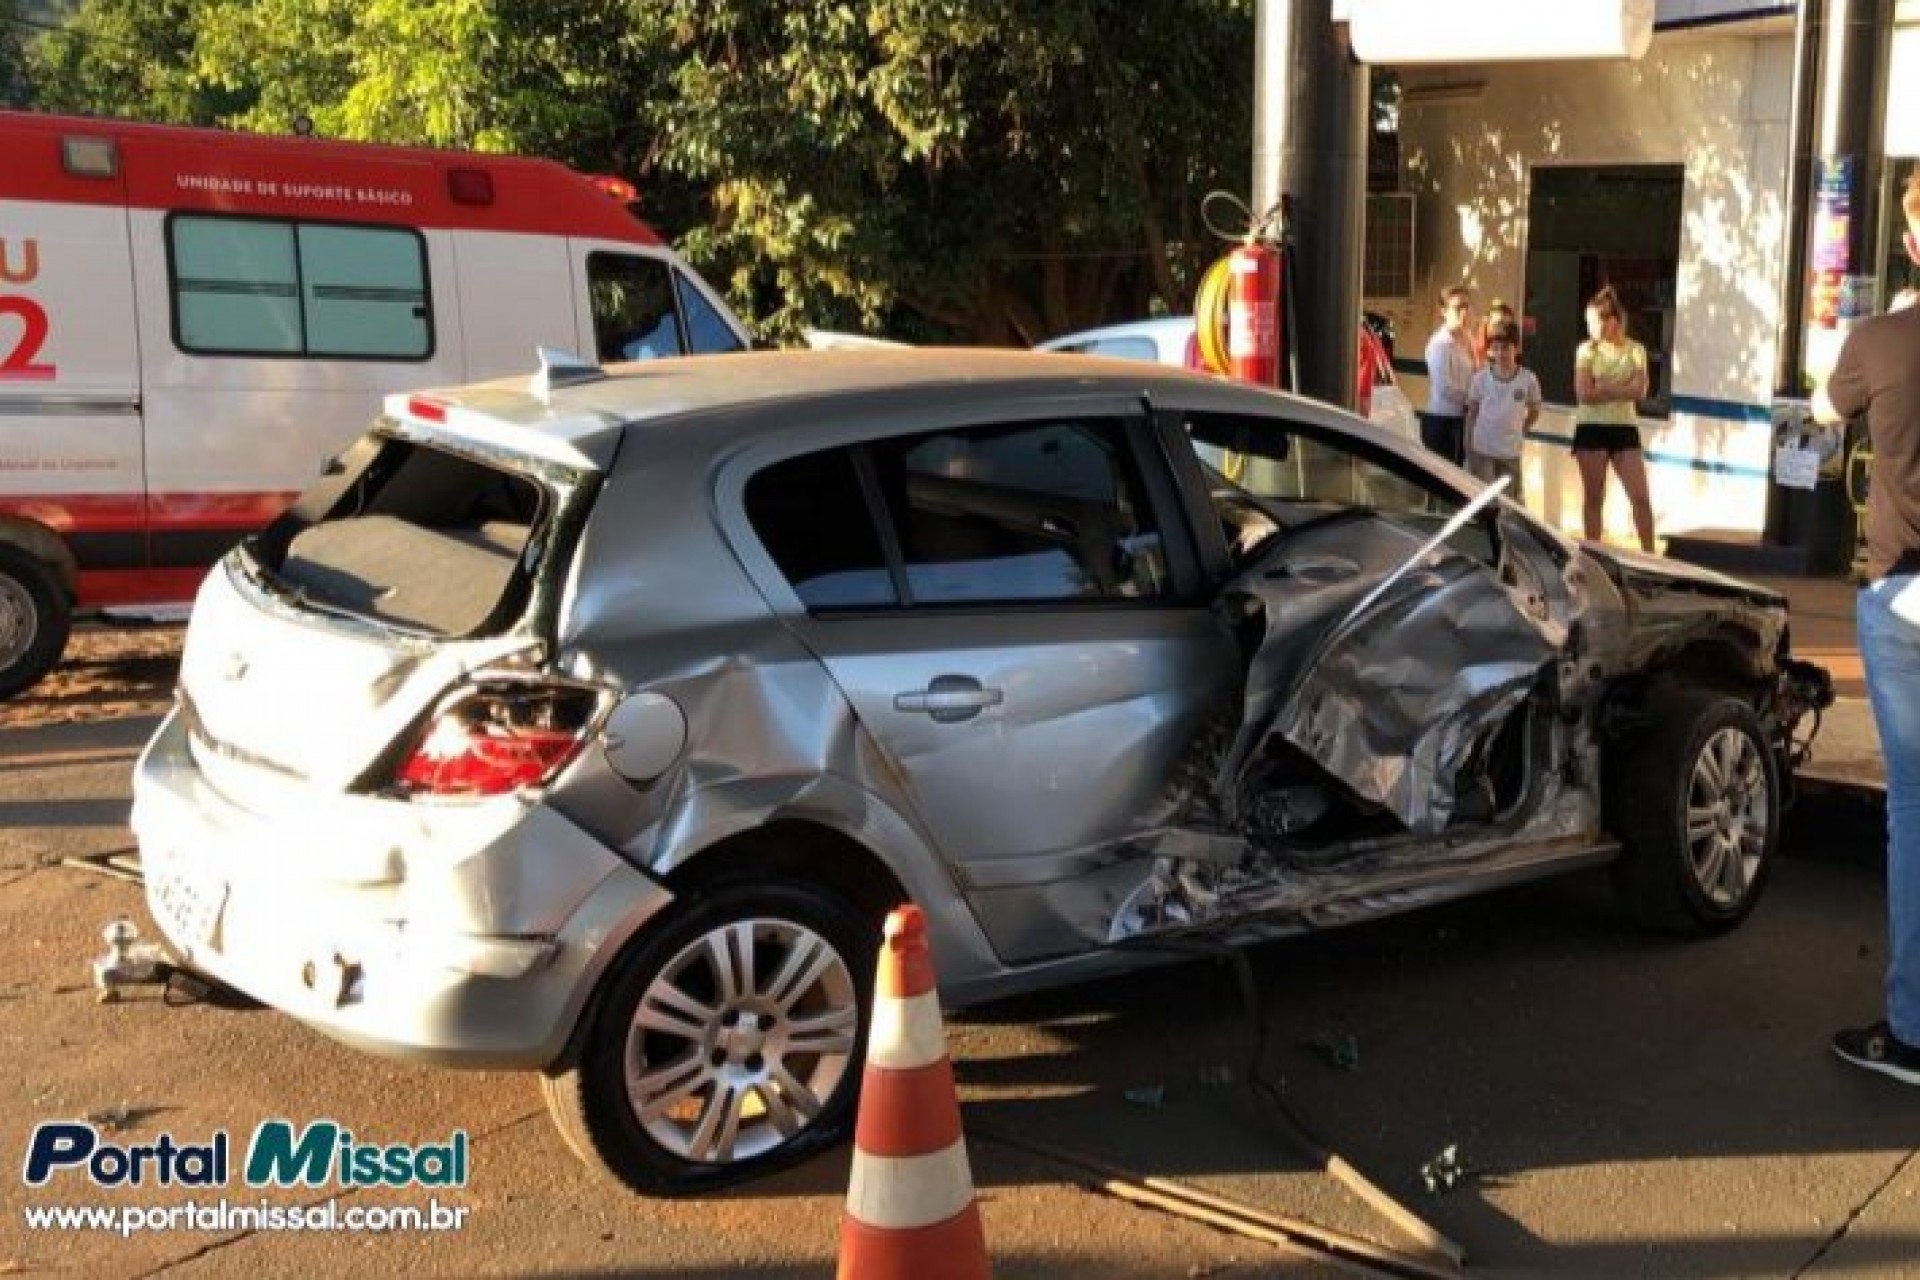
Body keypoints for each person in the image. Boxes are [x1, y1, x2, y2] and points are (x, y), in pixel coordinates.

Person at [1816, 166, 1920, 1085]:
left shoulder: (1879, 340)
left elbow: (1821, 411)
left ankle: (1913, 1030)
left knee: (1915, 811)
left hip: (1903, 596)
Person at [1572, 285, 1655, 551]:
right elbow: (1584, 392)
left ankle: (1650, 557)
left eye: (1593, 322)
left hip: (1624, 429)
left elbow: (1640, 391)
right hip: (1591, 428)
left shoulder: (1636, 350)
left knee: (1640, 497)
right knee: (1594, 497)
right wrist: (1622, 390)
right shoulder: (1586, 351)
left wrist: (1606, 388)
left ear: (1612, 322)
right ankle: (1593, 554)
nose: (1589, 328)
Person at [1464, 319, 1541, 503]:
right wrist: (1469, 446)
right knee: (1484, 501)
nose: (1500, 353)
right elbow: (1472, 414)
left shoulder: (1528, 379)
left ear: (1517, 348)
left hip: (1510, 452)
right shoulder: (1480, 379)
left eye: (1505, 348)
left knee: (1508, 504)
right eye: (1496, 348)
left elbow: (1535, 410)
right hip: (1483, 449)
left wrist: (1523, 428)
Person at [1420, 287, 1474, 466]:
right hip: (1442, 422)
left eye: (1467, 306)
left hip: (1462, 420)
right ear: (1443, 311)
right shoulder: (1440, 344)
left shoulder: (1468, 339)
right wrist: (1473, 400)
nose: (1464, 313)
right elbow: (1444, 388)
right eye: (1458, 307)